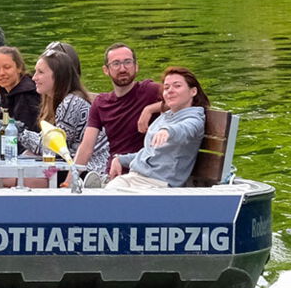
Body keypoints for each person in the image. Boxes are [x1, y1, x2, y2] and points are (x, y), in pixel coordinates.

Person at [108, 67, 209, 189]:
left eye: (177, 86)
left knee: (110, 198)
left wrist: (167, 131)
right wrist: (120, 159)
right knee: (104, 193)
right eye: (166, 88)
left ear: (193, 91)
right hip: (135, 177)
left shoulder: (195, 119)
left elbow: (185, 129)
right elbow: (149, 153)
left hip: (157, 184)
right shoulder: (166, 116)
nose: (170, 91)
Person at [73, 43, 161, 173]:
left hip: (144, 171)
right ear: (106, 70)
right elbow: (86, 147)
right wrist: (69, 184)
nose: (123, 69)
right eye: (116, 64)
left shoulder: (151, 91)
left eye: (128, 62)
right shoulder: (100, 103)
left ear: (136, 67)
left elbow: (189, 98)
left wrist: (151, 109)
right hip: (113, 172)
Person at [33, 47, 108, 174]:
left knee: (10, 179)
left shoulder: (71, 104)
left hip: (91, 169)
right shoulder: (65, 100)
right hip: (75, 164)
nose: (34, 77)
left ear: (57, 76)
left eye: (40, 72)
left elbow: (55, 148)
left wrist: (17, 131)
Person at [0, 46, 40, 151]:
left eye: (7, 67)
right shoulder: (2, 94)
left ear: (19, 68)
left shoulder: (27, 96)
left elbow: (25, 134)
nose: (2, 73)